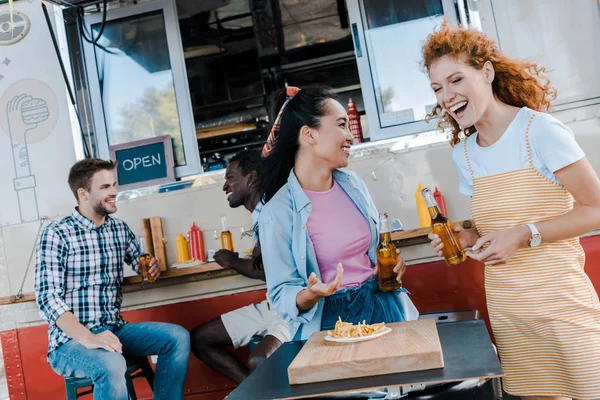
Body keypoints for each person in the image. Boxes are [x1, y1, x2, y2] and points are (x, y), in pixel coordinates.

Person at [424, 21, 600, 400]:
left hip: (561, 305)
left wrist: (523, 234)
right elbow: (491, 226)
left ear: (486, 71)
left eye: (456, 80)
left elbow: (596, 209)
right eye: (438, 88)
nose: (446, 95)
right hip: (510, 312)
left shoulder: (539, 131)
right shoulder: (464, 154)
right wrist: (468, 236)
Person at [257, 85, 419, 341]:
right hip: (330, 323)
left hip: (383, 305)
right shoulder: (277, 212)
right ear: (309, 134)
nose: (351, 136)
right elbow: (280, 294)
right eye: (341, 125)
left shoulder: (353, 184)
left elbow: (374, 250)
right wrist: (310, 295)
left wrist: (392, 264)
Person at [35, 159, 190, 400]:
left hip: (115, 329)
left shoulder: (119, 229)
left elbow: (139, 260)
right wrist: (89, 338)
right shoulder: (57, 233)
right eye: (105, 187)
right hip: (70, 342)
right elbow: (48, 299)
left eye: (114, 185)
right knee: (112, 364)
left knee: (177, 337)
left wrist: (148, 264)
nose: (114, 192)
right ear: (83, 194)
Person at [190, 149, 290, 383]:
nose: (225, 186)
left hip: (293, 308)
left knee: (260, 360)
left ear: (252, 178)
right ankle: (254, 393)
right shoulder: (259, 213)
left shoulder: (273, 210)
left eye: (230, 178)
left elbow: (265, 270)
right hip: (272, 305)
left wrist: (232, 261)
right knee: (199, 339)